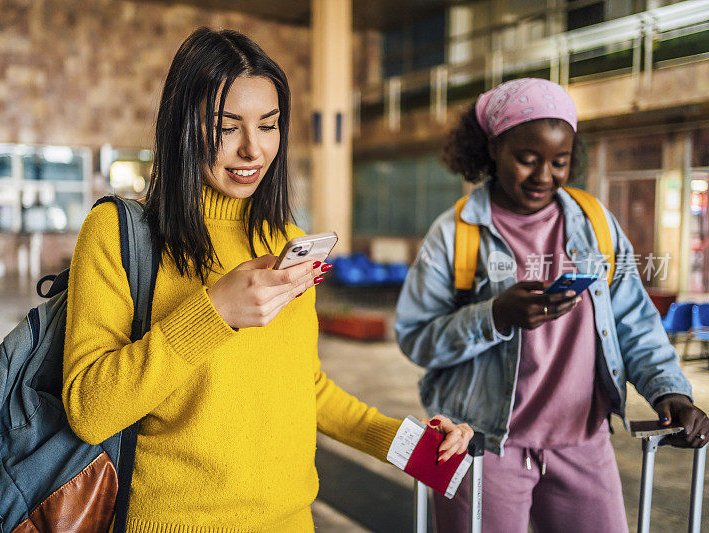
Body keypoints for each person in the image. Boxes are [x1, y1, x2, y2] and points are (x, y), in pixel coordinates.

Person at [63, 28, 472, 532]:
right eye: (227, 126)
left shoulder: (286, 240)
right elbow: (89, 409)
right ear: (182, 126)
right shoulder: (119, 234)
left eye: (269, 125)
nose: (252, 149)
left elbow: (307, 389)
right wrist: (213, 313)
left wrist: (416, 446)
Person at [394, 77, 709, 533]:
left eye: (559, 162)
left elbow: (635, 323)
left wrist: (670, 393)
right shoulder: (456, 232)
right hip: (482, 446)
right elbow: (417, 339)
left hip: (584, 444)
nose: (545, 176)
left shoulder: (594, 222)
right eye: (527, 159)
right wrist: (495, 316)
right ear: (493, 149)